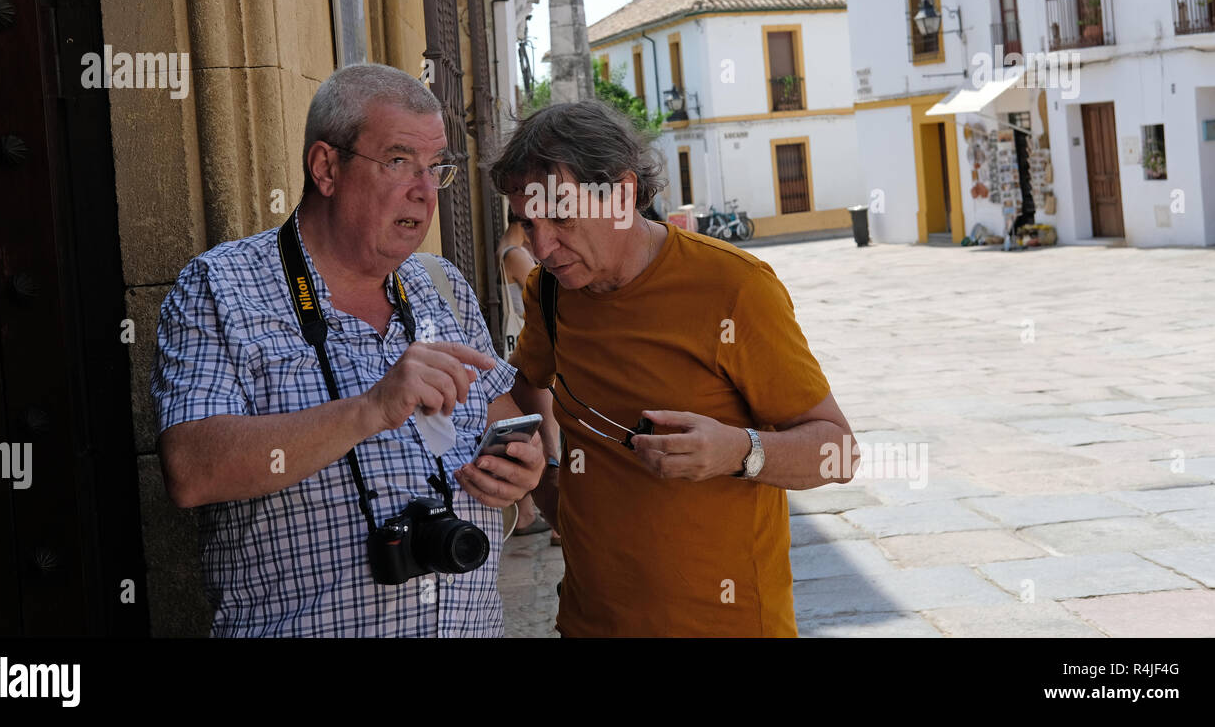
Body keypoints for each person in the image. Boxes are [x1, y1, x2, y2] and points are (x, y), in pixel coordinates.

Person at [152, 63, 545, 637]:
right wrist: (369, 409)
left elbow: (505, 421)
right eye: (398, 161)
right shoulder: (221, 287)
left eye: (436, 167)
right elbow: (190, 469)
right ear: (326, 168)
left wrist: (521, 468)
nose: (424, 189)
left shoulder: (441, 285)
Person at [490, 100, 859, 638]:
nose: (542, 246)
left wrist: (738, 451)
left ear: (621, 193)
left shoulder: (735, 288)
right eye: (528, 223)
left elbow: (838, 452)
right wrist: (546, 480)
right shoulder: (550, 292)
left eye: (562, 217)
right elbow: (526, 382)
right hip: (590, 623)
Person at [497, 218, 560, 539]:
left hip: (526, 349)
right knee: (547, 434)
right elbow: (540, 293)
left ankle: (528, 514)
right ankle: (555, 523)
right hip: (528, 348)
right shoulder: (516, 254)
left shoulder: (506, 248)